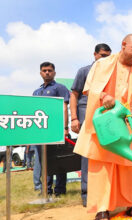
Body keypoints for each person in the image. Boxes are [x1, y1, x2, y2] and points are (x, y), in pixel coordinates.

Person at [73, 34, 132, 219]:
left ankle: (131, 204)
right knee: (102, 165)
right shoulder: (101, 64)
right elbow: (90, 87)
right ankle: (102, 208)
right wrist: (103, 96)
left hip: (127, 123)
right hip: (105, 123)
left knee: (129, 165)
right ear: (123, 45)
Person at [70, 43, 111, 207]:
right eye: (102, 55)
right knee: (88, 152)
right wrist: (74, 118)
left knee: (106, 152)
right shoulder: (84, 71)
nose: (105, 59)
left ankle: (106, 192)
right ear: (95, 55)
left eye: (108, 56)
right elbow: (74, 95)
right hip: (86, 112)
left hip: (106, 115)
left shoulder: (111, 72)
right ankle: (87, 193)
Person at [31, 62, 70, 196]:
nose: (47, 72)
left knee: (59, 160)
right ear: (40, 73)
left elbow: (64, 107)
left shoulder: (60, 88)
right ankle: (46, 190)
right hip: (41, 132)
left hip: (56, 130)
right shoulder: (36, 91)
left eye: (49, 70)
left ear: (54, 73)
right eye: (44, 70)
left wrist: (65, 127)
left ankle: (60, 190)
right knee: (44, 161)